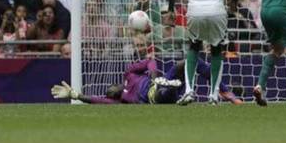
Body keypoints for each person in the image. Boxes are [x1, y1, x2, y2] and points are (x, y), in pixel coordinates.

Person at [51, 57, 242, 104]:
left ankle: (223, 90)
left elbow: (150, 61)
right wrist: (75, 94)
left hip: (158, 80)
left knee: (188, 62)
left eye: (110, 88)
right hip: (154, 95)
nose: (109, 90)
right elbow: (96, 100)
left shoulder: (130, 75)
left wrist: (152, 75)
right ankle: (175, 91)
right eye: (108, 93)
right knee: (160, 94)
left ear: (117, 83)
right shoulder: (121, 101)